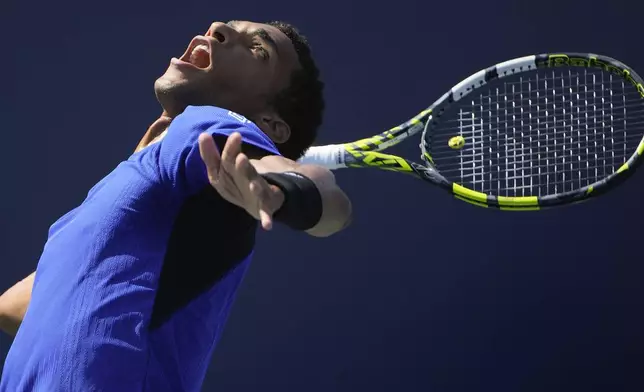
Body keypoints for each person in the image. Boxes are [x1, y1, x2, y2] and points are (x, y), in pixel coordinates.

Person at [0, 20, 352, 391]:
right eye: (226, 26)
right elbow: (15, 308)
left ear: (268, 124)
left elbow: (329, 201)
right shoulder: (98, 212)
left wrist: (282, 192)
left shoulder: (206, 124)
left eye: (258, 49)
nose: (217, 28)